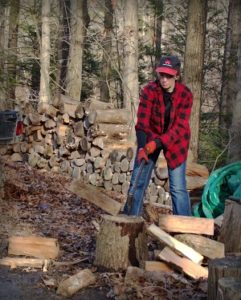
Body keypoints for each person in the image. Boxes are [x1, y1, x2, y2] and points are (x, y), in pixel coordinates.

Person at [124, 55, 193, 216]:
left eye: (169, 76)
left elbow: (180, 128)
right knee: (137, 181)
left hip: (177, 142)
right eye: (162, 75)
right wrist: (142, 147)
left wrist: (157, 143)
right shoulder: (149, 90)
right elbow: (142, 122)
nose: (164, 79)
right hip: (150, 137)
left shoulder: (185, 95)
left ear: (177, 75)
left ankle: (186, 229)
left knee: (177, 187)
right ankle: (130, 219)